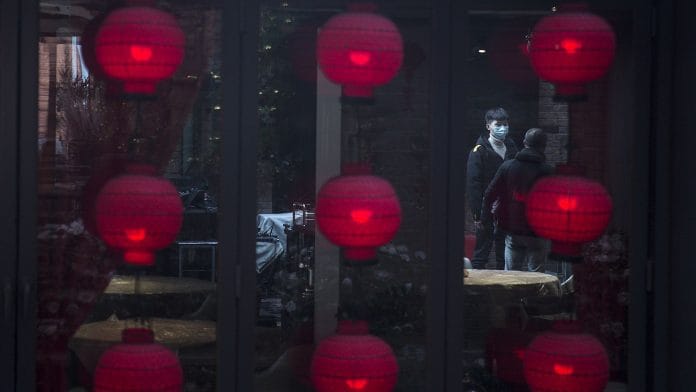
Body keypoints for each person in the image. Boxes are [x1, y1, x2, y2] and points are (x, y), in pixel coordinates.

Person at [481, 128, 554, 271]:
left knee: (511, 277)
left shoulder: (508, 167)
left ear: (524, 142)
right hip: (538, 232)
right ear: (544, 146)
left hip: (513, 229)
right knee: (537, 279)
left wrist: (486, 220)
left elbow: (489, 195)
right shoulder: (549, 172)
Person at [466, 107, 518, 269]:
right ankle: (475, 289)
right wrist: (477, 214)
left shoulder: (512, 148)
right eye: (498, 124)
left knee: (504, 251)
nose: (503, 128)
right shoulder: (479, 152)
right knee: (482, 250)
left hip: (507, 207)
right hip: (486, 206)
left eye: (505, 124)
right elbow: (473, 184)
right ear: (488, 126)